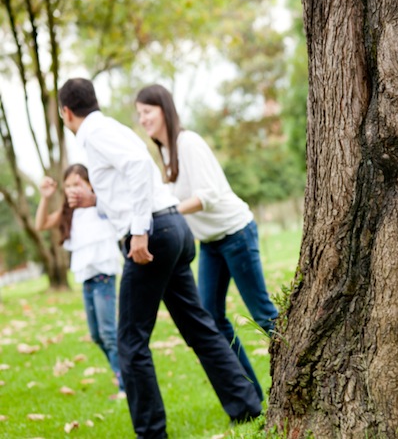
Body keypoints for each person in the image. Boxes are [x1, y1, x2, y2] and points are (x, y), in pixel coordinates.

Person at [58, 78, 261, 438]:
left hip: (153, 235)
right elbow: (131, 184)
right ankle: (246, 406)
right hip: (173, 227)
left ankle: (151, 433)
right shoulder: (109, 128)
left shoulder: (94, 134)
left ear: (66, 112)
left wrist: (138, 231)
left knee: (131, 341)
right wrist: (96, 202)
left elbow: (137, 166)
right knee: (199, 326)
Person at [135, 84, 278, 402]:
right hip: (211, 244)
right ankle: (250, 394)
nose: (142, 118)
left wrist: (166, 212)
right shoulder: (166, 152)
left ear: (164, 110)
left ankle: (308, 369)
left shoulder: (188, 143)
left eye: (147, 111)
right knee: (212, 318)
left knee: (262, 312)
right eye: (139, 113)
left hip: (236, 233)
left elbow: (208, 195)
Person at [35, 164, 125, 399]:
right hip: (86, 280)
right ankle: (122, 375)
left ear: (89, 184)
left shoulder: (100, 207)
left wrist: (95, 198)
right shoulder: (69, 214)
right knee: (96, 335)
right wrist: (45, 198)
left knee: (108, 333)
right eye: (68, 186)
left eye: (77, 184)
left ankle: (125, 384)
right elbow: (41, 224)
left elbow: (120, 209)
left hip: (104, 276)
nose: (72, 189)